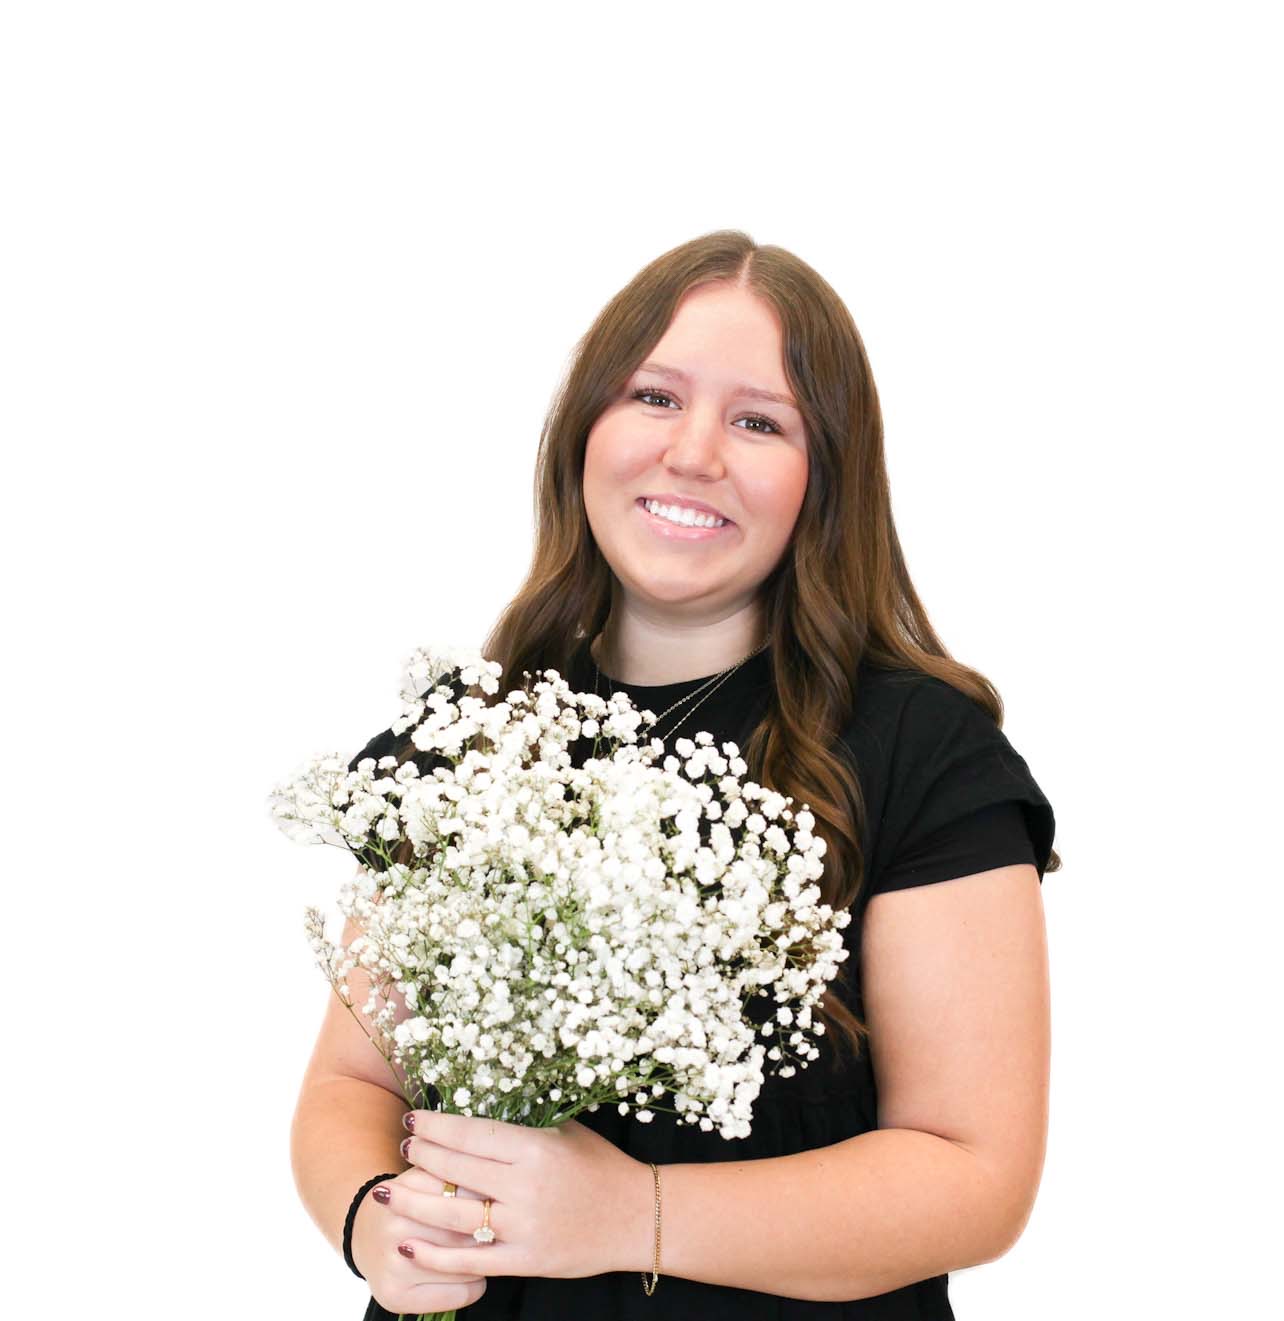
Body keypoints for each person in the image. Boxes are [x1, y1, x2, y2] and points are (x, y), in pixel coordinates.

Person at [289, 228, 1059, 1320]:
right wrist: (373, 1217)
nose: (694, 452)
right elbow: (351, 1085)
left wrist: (630, 1213)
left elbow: (974, 1177)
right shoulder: (465, 738)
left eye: (758, 421)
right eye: (653, 397)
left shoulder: (917, 749)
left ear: (823, 480)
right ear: (584, 430)